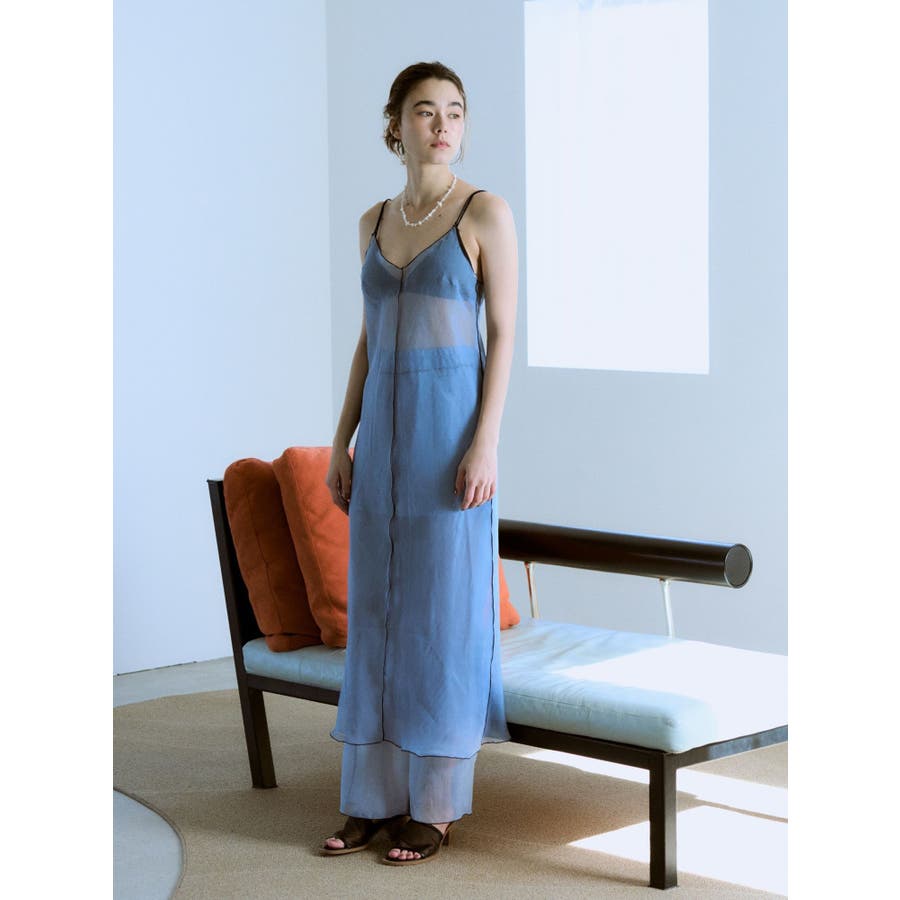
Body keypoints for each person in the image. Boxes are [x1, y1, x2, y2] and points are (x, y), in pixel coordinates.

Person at [321, 61, 518, 866]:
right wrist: (342, 438)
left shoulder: (484, 212)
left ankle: (434, 806)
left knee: (440, 615)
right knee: (377, 615)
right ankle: (372, 798)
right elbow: (370, 339)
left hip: (449, 441)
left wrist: (486, 440)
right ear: (395, 125)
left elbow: (502, 333)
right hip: (382, 446)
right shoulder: (371, 221)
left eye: (455, 112)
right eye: (426, 111)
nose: (442, 125)